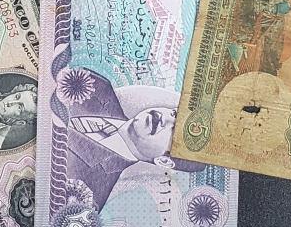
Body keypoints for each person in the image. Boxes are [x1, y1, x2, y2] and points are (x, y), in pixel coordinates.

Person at [64, 72, 200, 211]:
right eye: (174, 114)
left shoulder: (87, 195)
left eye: (174, 131)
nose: (164, 118)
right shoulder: (96, 85)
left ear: (164, 161)